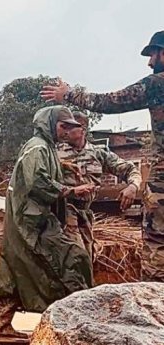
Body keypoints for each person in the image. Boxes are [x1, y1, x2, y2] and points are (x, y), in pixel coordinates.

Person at [41, 30, 164, 281]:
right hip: (67, 220)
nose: (150, 62)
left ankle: (156, 304)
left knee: (157, 245)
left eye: (153, 55)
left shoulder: (158, 83)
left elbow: (114, 102)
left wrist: (70, 95)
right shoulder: (52, 153)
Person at [0, 106, 95, 338]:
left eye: (70, 127)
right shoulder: (38, 147)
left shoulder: (45, 147)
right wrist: (71, 190)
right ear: (49, 124)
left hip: (30, 220)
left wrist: (63, 167)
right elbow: (37, 181)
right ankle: (77, 322)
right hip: (30, 222)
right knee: (73, 258)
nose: (67, 131)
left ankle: (1, 324)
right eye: (63, 126)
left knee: (18, 267)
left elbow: (41, 172)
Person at [56, 111, 143, 259]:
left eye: (71, 127)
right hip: (63, 211)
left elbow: (130, 169)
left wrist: (133, 186)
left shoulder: (98, 153)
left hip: (86, 214)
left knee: (88, 257)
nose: (66, 131)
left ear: (82, 129)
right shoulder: (54, 153)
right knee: (74, 255)